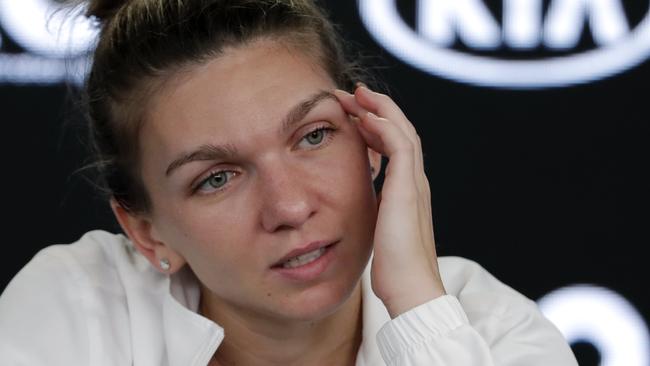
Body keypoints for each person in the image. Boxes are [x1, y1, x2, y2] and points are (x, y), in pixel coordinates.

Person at [0, 1, 578, 365]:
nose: (291, 207)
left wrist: (418, 309)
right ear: (147, 233)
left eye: (313, 137)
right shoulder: (77, 308)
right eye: (217, 178)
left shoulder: (494, 334)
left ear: (373, 139)